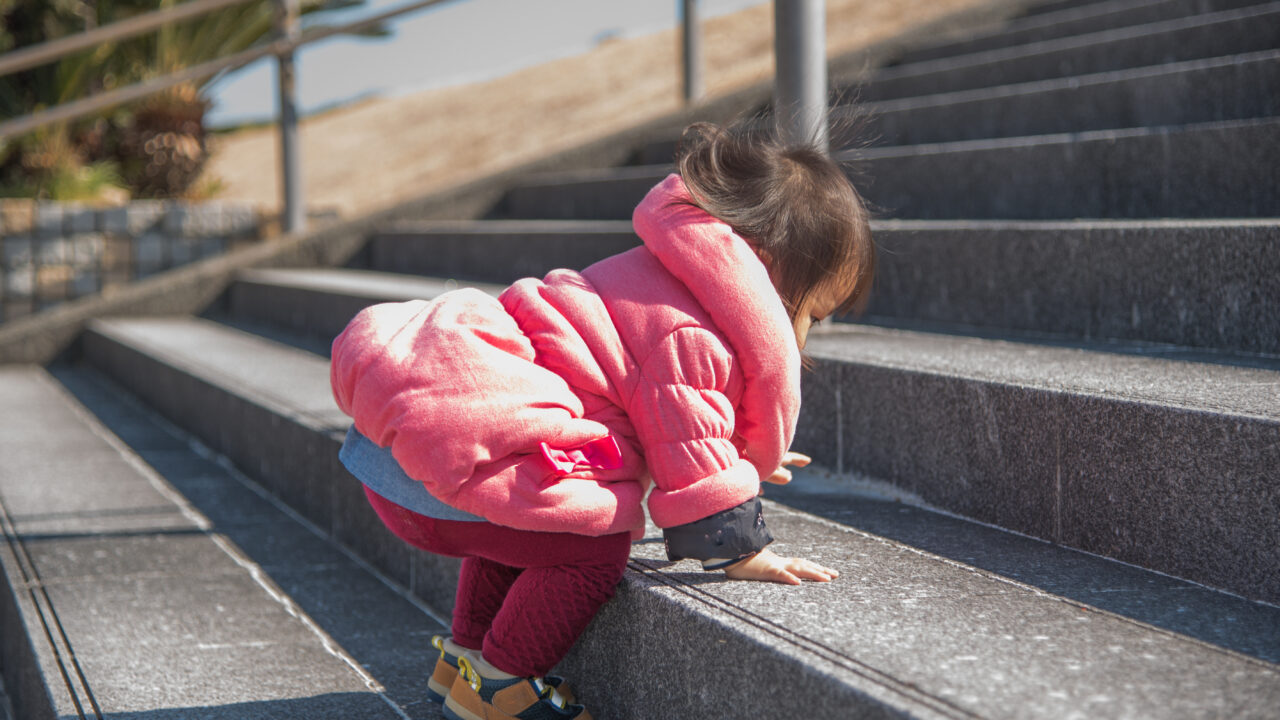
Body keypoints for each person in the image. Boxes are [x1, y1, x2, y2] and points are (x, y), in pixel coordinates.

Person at [329, 120, 876, 720]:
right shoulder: (691, 331)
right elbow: (684, 435)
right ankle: (499, 688)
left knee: (529, 507)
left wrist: (735, 452)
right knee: (592, 544)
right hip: (440, 488)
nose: (805, 335)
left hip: (401, 467)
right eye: (812, 315)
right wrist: (741, 548)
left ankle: (462, 658)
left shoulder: (649, 274)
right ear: (767, 272)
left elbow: (669, 418)